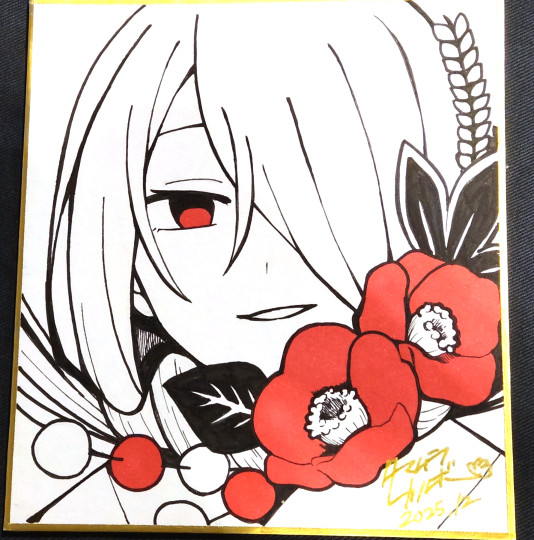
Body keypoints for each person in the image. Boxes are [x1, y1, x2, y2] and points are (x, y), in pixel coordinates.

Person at [15, 0, 501, 526]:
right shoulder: (92, 478)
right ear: (120, 245)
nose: (267, 263)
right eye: (192, 209)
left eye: (326, 200)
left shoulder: (477, 470)